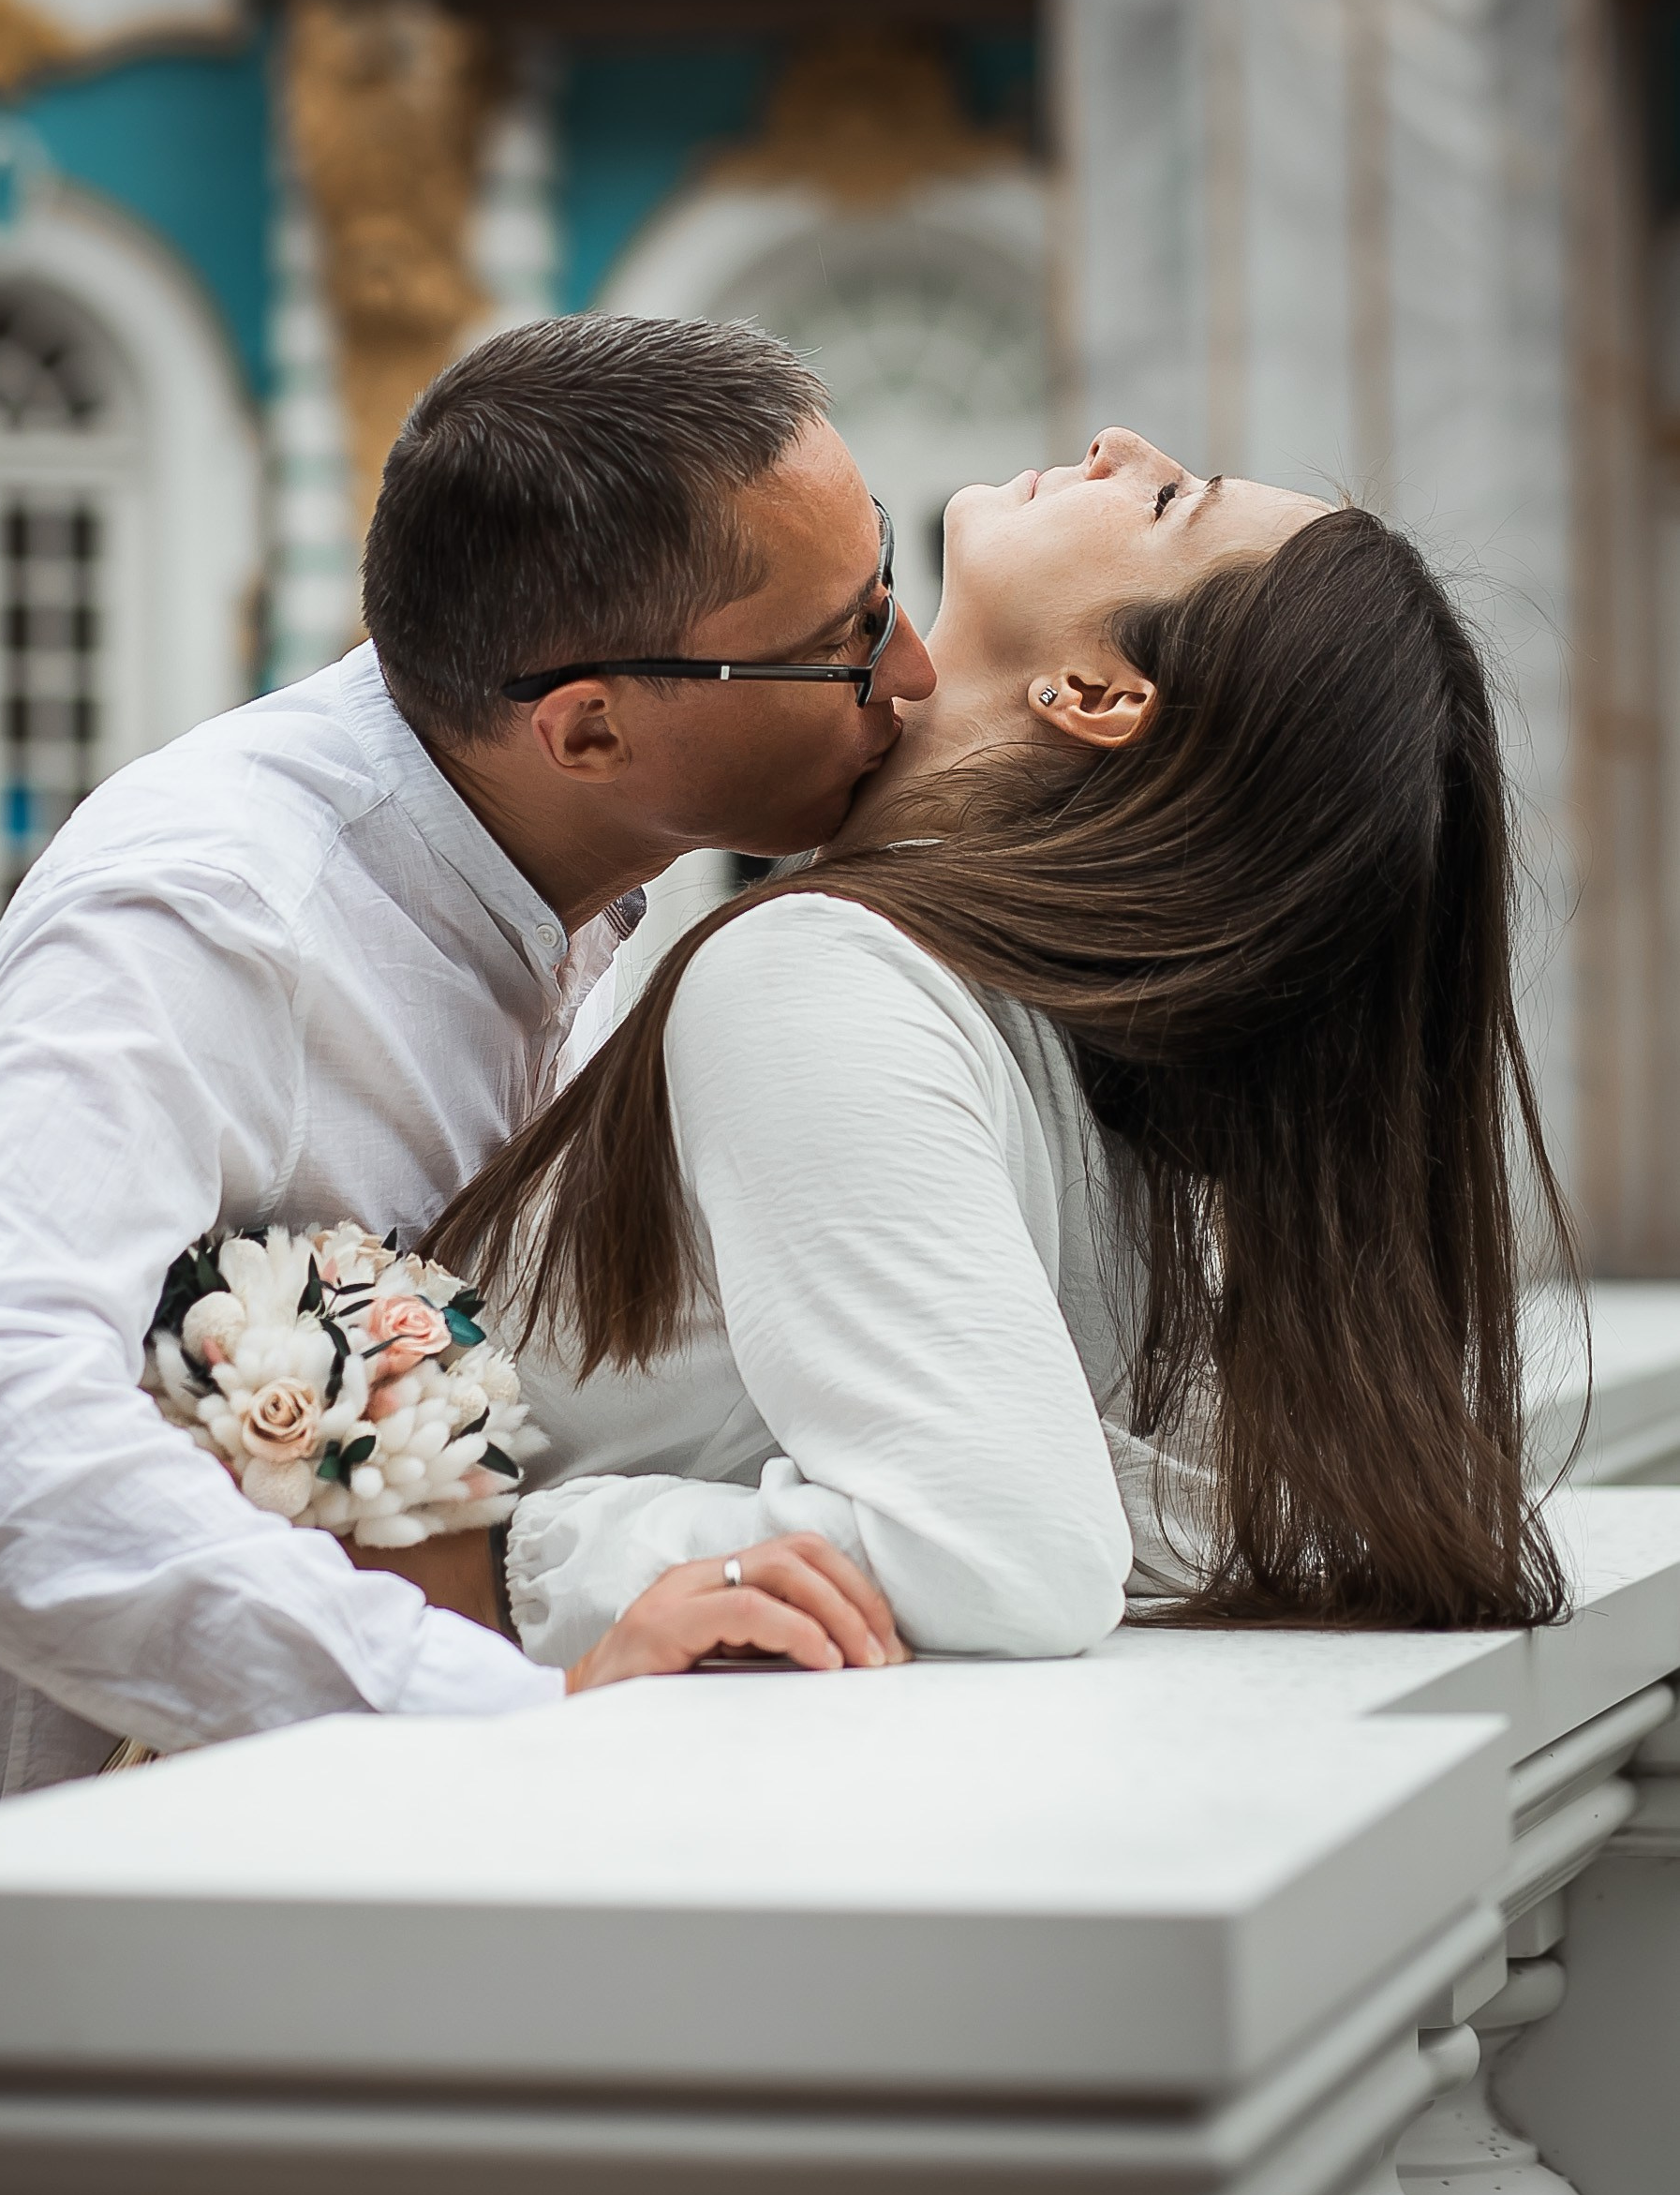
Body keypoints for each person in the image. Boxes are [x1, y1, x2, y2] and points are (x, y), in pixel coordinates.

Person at [0, 316, 925, 2195]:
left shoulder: (593, 897)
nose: (914, 675)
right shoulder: (203, 913)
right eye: (846, 635)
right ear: (589, 724)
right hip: (5, 2117)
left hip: (330, 2052)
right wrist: (502, 1708)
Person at [428, 429, 1573, 1668]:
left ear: (1096, 691)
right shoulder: (1034, 1033)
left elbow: (1005, 1555)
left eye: (1172, 499)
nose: (1118, 446)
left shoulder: (827, 972)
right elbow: (1139, 1504)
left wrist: (495, 1562)